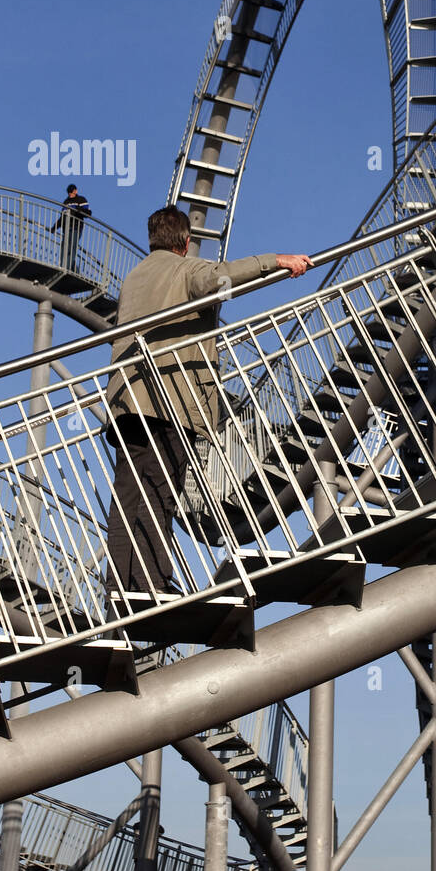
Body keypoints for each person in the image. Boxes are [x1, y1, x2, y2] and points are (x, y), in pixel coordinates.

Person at [103, 205, 312, 595]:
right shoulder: (185, 268)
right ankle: (151, 585)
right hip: (169, 401)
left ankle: (120, 588)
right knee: (160, 494)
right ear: (185, 243)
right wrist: (276, 262)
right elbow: (220, 278)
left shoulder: (135, 276)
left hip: (126, 400)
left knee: (130, 495)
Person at [52, 183, 92, 273]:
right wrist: (55, 226)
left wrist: (78, 210)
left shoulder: (81, 199)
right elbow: (62, 216)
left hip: (76, 227)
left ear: (75, 191)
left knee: (72, 246)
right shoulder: (66, 202)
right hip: (66, 228)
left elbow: (88, 213)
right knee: (64, 247)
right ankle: (63, 266)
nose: (70, 194)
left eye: (71, 192)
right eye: (69, 193)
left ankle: (68, 267)